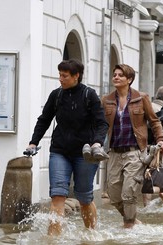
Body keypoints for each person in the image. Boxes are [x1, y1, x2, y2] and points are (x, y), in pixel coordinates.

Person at [26, 59, 109, 236]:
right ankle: (53, 240)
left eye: (64, 76)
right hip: (60, 152)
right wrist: (34, 142)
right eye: (59, 75)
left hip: (85, 154)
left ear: (76, 76)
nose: (60, 79)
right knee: (57, 196)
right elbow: (44, 120)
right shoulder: (56, 95)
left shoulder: (89, 95)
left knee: (84, 198)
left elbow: (102, 124)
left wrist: (97, 142)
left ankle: (91, 236)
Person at [101, 64, 163, 228]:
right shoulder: (106, 100)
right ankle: (133, 220)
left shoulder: (141, 98)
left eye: (120, 75)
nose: (116, 77)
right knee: (114, 194)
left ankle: (128, 226)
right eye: (114, 74)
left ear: (129, 79)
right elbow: (100, 124)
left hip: (135, 152)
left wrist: (161, 139)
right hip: (114, 152)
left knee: (128, 192)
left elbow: (154, 121)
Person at [143, 85, 163, 207]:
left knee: (147, 174)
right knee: (160, 173)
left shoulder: (148, 105)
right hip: (157, 145)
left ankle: (146, 204)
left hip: (143, 146)